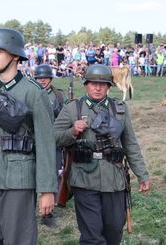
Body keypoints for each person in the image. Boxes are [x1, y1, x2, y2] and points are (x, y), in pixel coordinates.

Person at [0, 28, 57, 245]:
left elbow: (45, 144)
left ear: (15, 55)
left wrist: (47, 190)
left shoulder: (34, 92)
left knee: (18, 238)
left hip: (18, 176)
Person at [54, 64, 150, 244]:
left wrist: (142, 174)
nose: (97, 88)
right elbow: (55, 137)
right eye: (93, 83)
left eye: (102, 84)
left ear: (108, 86)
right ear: (86, 84)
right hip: (84, 179)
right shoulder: (72, 109)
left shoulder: (120, 109)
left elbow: (130, 144)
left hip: (114, 179)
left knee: (114, 232)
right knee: (92, 236)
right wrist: (72, 132)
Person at [34, 64, 67, 227]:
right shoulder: (32, 94)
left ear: (50, 79)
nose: (42, 80)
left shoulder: (59, 96)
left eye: (45, 78)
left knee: (52, 173)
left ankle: (48, 212)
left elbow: (67, 115)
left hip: (53, 141)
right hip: (33, 140)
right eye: (39, 78)